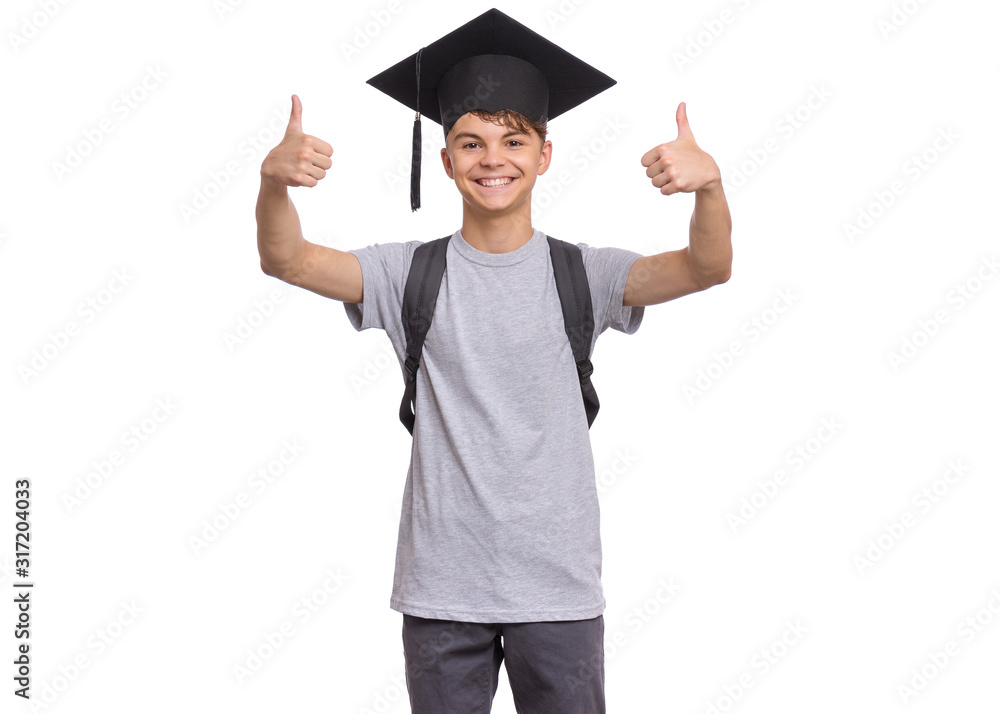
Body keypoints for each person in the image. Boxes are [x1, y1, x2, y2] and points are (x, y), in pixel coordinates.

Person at [255, 8, 732, 713]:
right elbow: (287, 259)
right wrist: (273, 184)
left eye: (514, 140)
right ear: (446, 160)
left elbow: (706, 268)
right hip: (442, 588)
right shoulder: (406, 273)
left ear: (544, 153)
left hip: (559, 590)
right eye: (471, 143)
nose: (493, 159)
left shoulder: (585, 274)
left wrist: (711, 189)